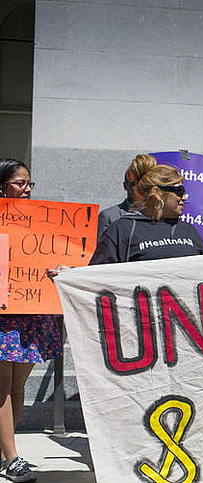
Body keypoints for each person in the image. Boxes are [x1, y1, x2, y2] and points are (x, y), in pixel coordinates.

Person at [0, 158, 60, 482]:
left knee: (18, 385)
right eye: (20, 183)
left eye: (28, 184)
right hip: (3, 314)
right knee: (2, 385)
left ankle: (2, 450)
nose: (26, 189)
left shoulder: (40, 216)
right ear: (2, 185)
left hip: (32, 311)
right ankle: (12, 458)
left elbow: (51, 252)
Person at [90, 165, 203, 264]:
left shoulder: (189, 230)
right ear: (157, 193)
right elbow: (97, 278)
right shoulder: (122, 230)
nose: (184, 197)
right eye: (179, 191)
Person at [97, 154, 156, 242]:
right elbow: (102, 251)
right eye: (133, 184)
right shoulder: (109, 216)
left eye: (142, 184)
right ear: (125, 186)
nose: (138, 189)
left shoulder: (159, 214)